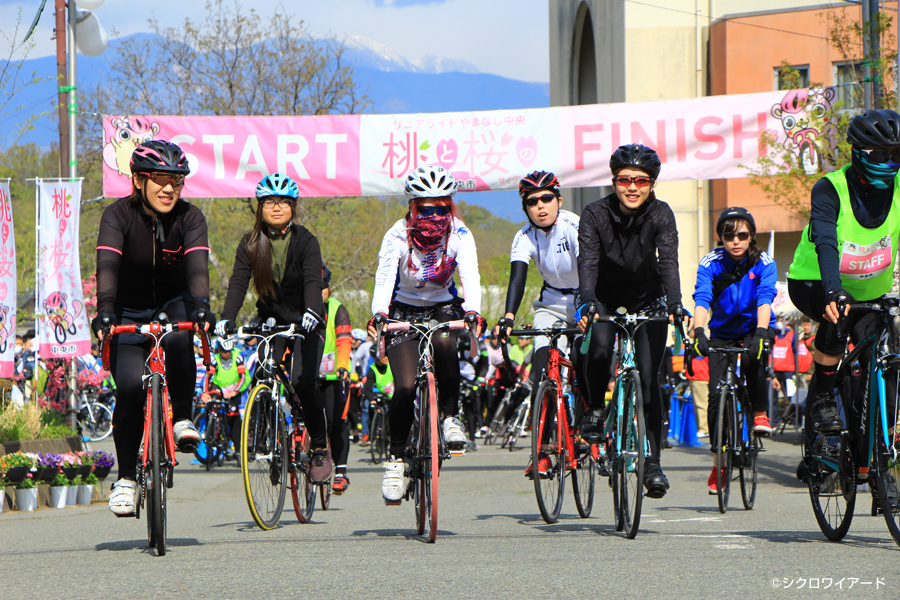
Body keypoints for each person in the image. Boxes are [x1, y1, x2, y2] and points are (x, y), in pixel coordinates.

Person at [93, 140, 215, 517]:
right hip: (127, 308)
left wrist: (201, 308)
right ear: (138, 179)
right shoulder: (117, 216)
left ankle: (180, 417)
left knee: (180, 338)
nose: (169, 189)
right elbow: (107, 268)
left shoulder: (190, 218)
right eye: (160, 180)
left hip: (174, 302)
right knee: (129, 387)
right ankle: (127, 478)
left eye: (176, 182)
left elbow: (196, 269)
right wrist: (106, 311)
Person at [367, 165, 485, 505]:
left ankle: (449, 416)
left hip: (442, 306)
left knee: (447, 346)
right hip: (402, 310)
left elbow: (471, 276)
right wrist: (380, 314)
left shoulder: (459, 233)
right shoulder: (396, 235)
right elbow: (384, 279)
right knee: (404, 386)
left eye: (441, 208)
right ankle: (396, 459)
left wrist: (473, 311)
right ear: (412, 207)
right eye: (426, 208)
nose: (434, 216)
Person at [577, 143, 686, 499]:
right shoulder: (594, 213)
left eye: (641, 180)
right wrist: (589, 300)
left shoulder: (661, 213)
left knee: (649, 374)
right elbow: (589, 262)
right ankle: (594, 409)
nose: (633, 187)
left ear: (652, 183)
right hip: (606, 299)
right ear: (614, 181)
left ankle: (652, 461)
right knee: (599, 350)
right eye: (625, 180)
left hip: (649, 300)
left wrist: (675, 303)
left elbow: (668, 261)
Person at [214, 172, 333, 483]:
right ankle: (266, 436)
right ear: (260, 207)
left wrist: (313, 310)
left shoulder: (306, 240)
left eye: (283, 202)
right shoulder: (251, 243)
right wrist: (227, 317)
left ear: (293, 206)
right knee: (262, 373)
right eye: (269, 202)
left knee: (303, 382)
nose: (276, 207)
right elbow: (238, 282)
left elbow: (312, 281)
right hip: (271, 321)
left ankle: (319, 447)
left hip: (306, 321)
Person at [787, 109, 900, 436]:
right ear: (859, 152)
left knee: (879, 367)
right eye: (883, 154)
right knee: (836, 314)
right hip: (815, 281)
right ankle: (822, 398)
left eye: (897, 154)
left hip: (870, 293)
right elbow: (825, 242)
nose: (891, 162)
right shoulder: (829, 188)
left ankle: (873, 449)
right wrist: (833, 289)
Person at [495, 170, 583, 477]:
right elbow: (517, 279)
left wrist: (589, 308)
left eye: (547, 199)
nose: (540, 206)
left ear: (559, 200)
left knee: (587, 363)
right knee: (543, 367)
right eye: (532, 202)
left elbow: (589, 270)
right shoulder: (523, 237)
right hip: (551, 305)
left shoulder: (574, 225)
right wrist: (508, 317)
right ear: (525, 208)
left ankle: (587, 428)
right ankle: (544, 451)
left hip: (585, 299)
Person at [691, 207, 777, 494]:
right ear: (721, 238)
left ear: (751, 236)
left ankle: (760, 414)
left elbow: (766, 296)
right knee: (716, 395)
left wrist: (762, 333)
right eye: (729, 235)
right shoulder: (711, 262)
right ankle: (719, 463)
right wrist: (699, 330)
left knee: (755, 361)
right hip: (723, 332)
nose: (736, 241)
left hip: (756, 326)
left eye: (742, 235)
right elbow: (702, 296)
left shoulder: (764, 261)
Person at [318, 265, 354, 494]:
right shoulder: (299, 307)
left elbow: (343, 341)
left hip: (332, 375)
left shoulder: (336, 308)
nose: (320, 291)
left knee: (335, 422)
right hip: (307, 374)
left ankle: (341, 472)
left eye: (324, 287)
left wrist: (342, 366)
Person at [203, 338, 249, 459]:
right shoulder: (215, 358)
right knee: (211, 399)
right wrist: (205, 392)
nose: (227, 354)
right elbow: (207, 377)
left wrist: (234, 392)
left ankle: (238, 450)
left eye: (229, 351)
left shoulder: (237, 357)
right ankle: (212, 426)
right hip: (219, 386)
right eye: (224, 351)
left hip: (234, 388)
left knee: (234, 420)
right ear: (219, 350)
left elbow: (243, 378)